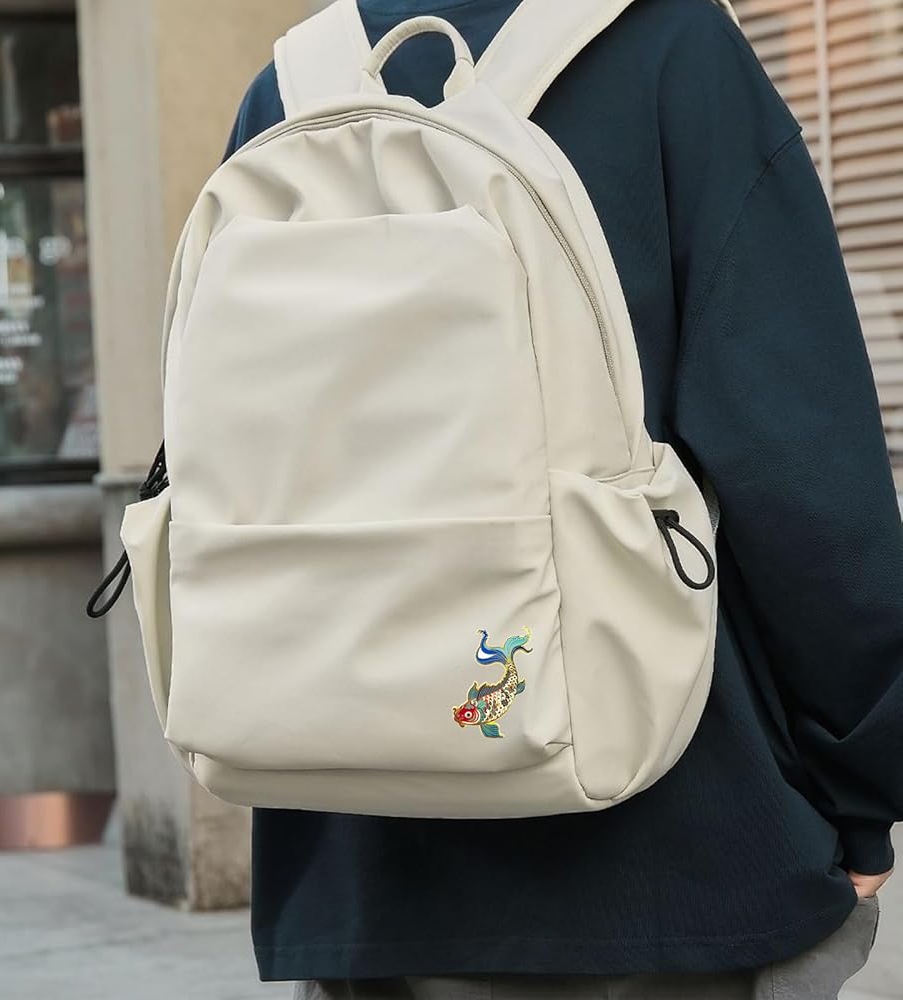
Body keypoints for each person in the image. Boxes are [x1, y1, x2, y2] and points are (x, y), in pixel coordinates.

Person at [222, 1, 902, 996]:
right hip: (669, 845)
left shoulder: (288, 91)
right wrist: (863, 784)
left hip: (360, 858)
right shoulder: (671, 50)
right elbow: (797, 462)